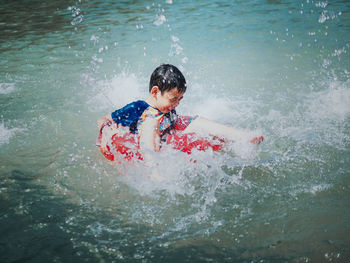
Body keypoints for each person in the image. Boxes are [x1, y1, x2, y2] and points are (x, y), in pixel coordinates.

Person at [97, 64, 263, 162]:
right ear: (155, 92)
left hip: (167, 136)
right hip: (145, 143)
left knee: (198, 122)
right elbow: (103, 119)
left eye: (180, 100)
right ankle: (154, 172)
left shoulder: (168, 108)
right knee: (151, 122)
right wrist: (106, 130)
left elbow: (177, 124)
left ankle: (240, 137)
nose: (176, 104)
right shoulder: (137, 108)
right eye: (173, 99)